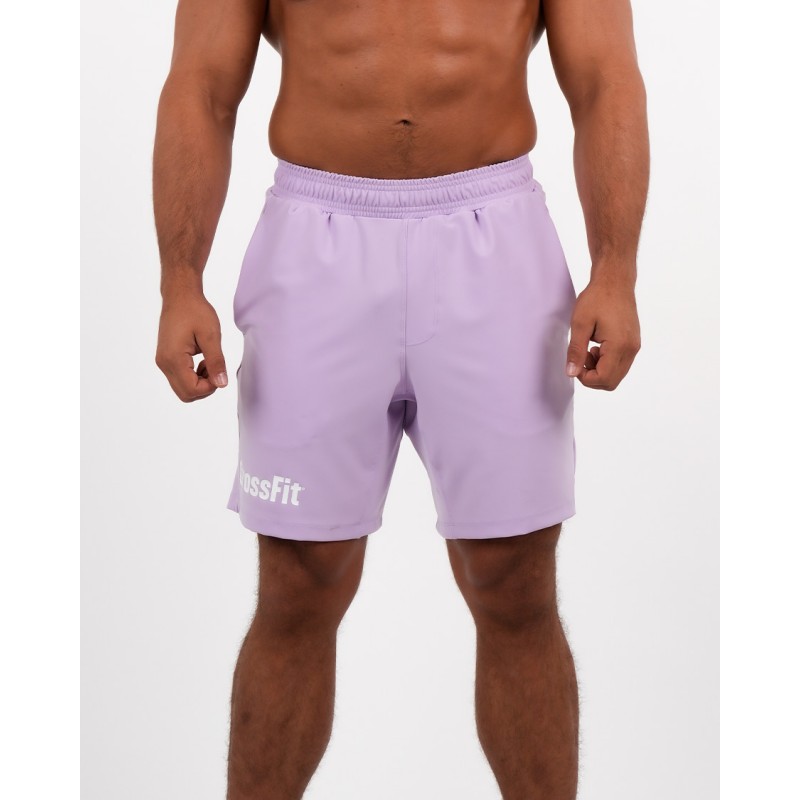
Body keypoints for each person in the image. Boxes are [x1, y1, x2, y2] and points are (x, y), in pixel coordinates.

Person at [153, 0, 648, 796]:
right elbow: (202, 87)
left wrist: (615, 270)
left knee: (515, 579)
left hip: (495, 240)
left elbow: (604, 81)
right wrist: (181, 280)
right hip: (316, 241)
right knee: (297, 581)